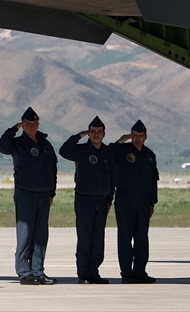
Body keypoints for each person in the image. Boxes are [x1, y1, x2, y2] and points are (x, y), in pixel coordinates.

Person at [0, 106, 58, 285]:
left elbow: (53, 168)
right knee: (25, 234)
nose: (32, 126)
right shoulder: (17, 144)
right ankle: (24, 272)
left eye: (34, 123)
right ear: (23, 125)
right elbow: (1, 147)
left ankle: (38, 271)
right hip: (25, 193)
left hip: (44, 194)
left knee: (41, 235)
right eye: (27, 124)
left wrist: (51, 192)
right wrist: (13, 129)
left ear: (38, 124)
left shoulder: (45, 144)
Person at [58, 116, 115, 284]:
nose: (96, 135)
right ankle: (83, 274)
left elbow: (112, 178)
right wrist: (78, 136)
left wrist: (109, 200)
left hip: (102, 200)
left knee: (98, 239)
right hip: (84, 200)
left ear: (104, 134)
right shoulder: (81, 151)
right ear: (89, 133)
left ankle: (94, 272)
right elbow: (63, 151)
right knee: (84, 238)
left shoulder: (107, 153)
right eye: (92, 132)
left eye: (99, 132)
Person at [113, 120, 159, 284]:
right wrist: (122, 139)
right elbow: (108, 153)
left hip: (144, 201)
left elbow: (153, 180)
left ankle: (140, 272)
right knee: (125, 237)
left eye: (140, 136)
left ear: (145, 137)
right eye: (135, 136)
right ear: (131, 136)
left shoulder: (149, 155)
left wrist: (152, 203)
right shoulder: (122, 151)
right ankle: (127, 273)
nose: (138, 139)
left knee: (141, 238)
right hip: (125, 199)